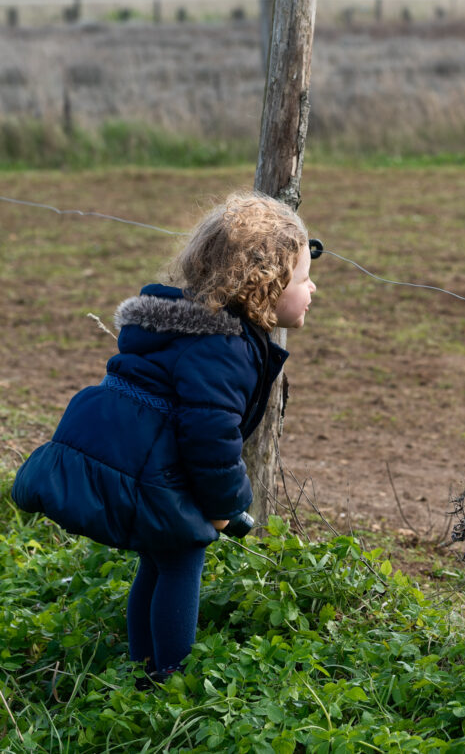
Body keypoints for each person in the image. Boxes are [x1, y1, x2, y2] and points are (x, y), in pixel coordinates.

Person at [12, 191, 316, 681]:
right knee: (180, 564)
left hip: (141, 462)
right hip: (150, 474)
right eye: (302, 278)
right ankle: (170, 681)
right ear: (263, 286)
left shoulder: (192, 330)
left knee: (157, 563)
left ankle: (142, 668)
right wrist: (225, 505)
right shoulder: (223, 348)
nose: (312, 288)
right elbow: (210, 436)